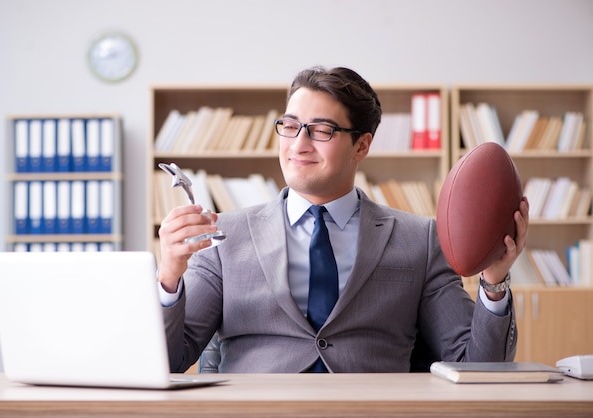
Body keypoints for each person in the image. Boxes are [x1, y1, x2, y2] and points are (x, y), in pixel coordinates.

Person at [157, 66, 529, 373]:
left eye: (321, 130)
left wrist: (494, 281)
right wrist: (170, 276)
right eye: (289, 126)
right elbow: (170, 361)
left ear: (361, 146)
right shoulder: (223, 235)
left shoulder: (420, 239)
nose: (299, 144)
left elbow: (479, 367)